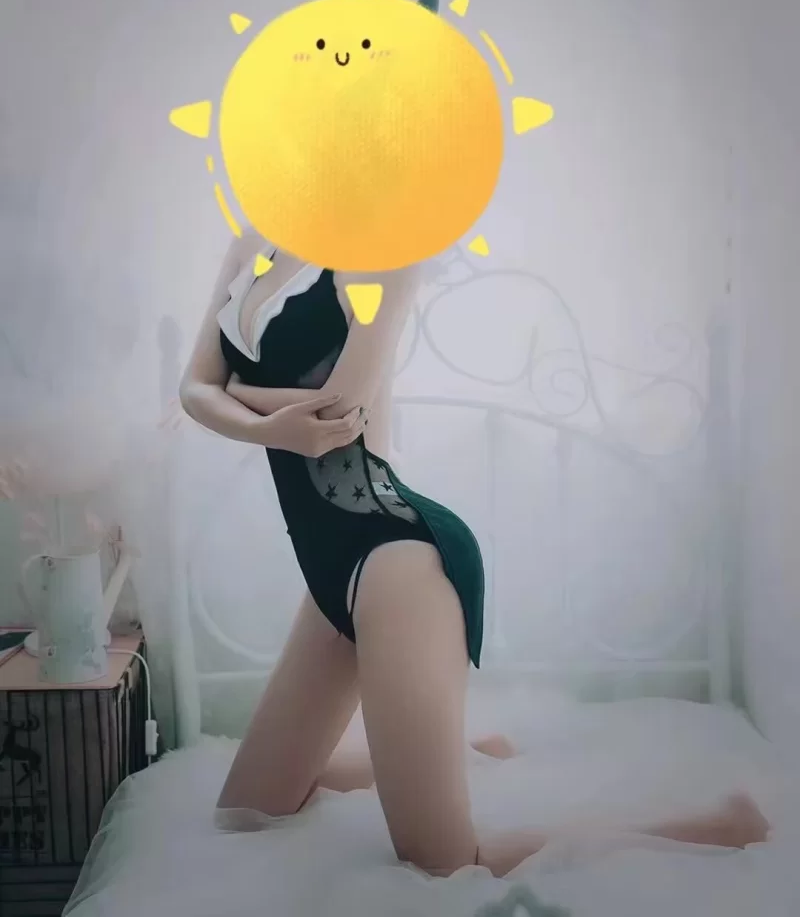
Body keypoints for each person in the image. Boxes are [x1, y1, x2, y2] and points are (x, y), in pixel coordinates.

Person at [179, 226, 770, 877]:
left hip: (395, 560)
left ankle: (717, 822)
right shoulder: (253, 245)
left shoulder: (382, 252)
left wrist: (233, 397)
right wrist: (259, 417)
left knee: (445, 862)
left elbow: (334, 415)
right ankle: (459, 752)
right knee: (247, 810)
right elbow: (192, 388)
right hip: (329, 568)